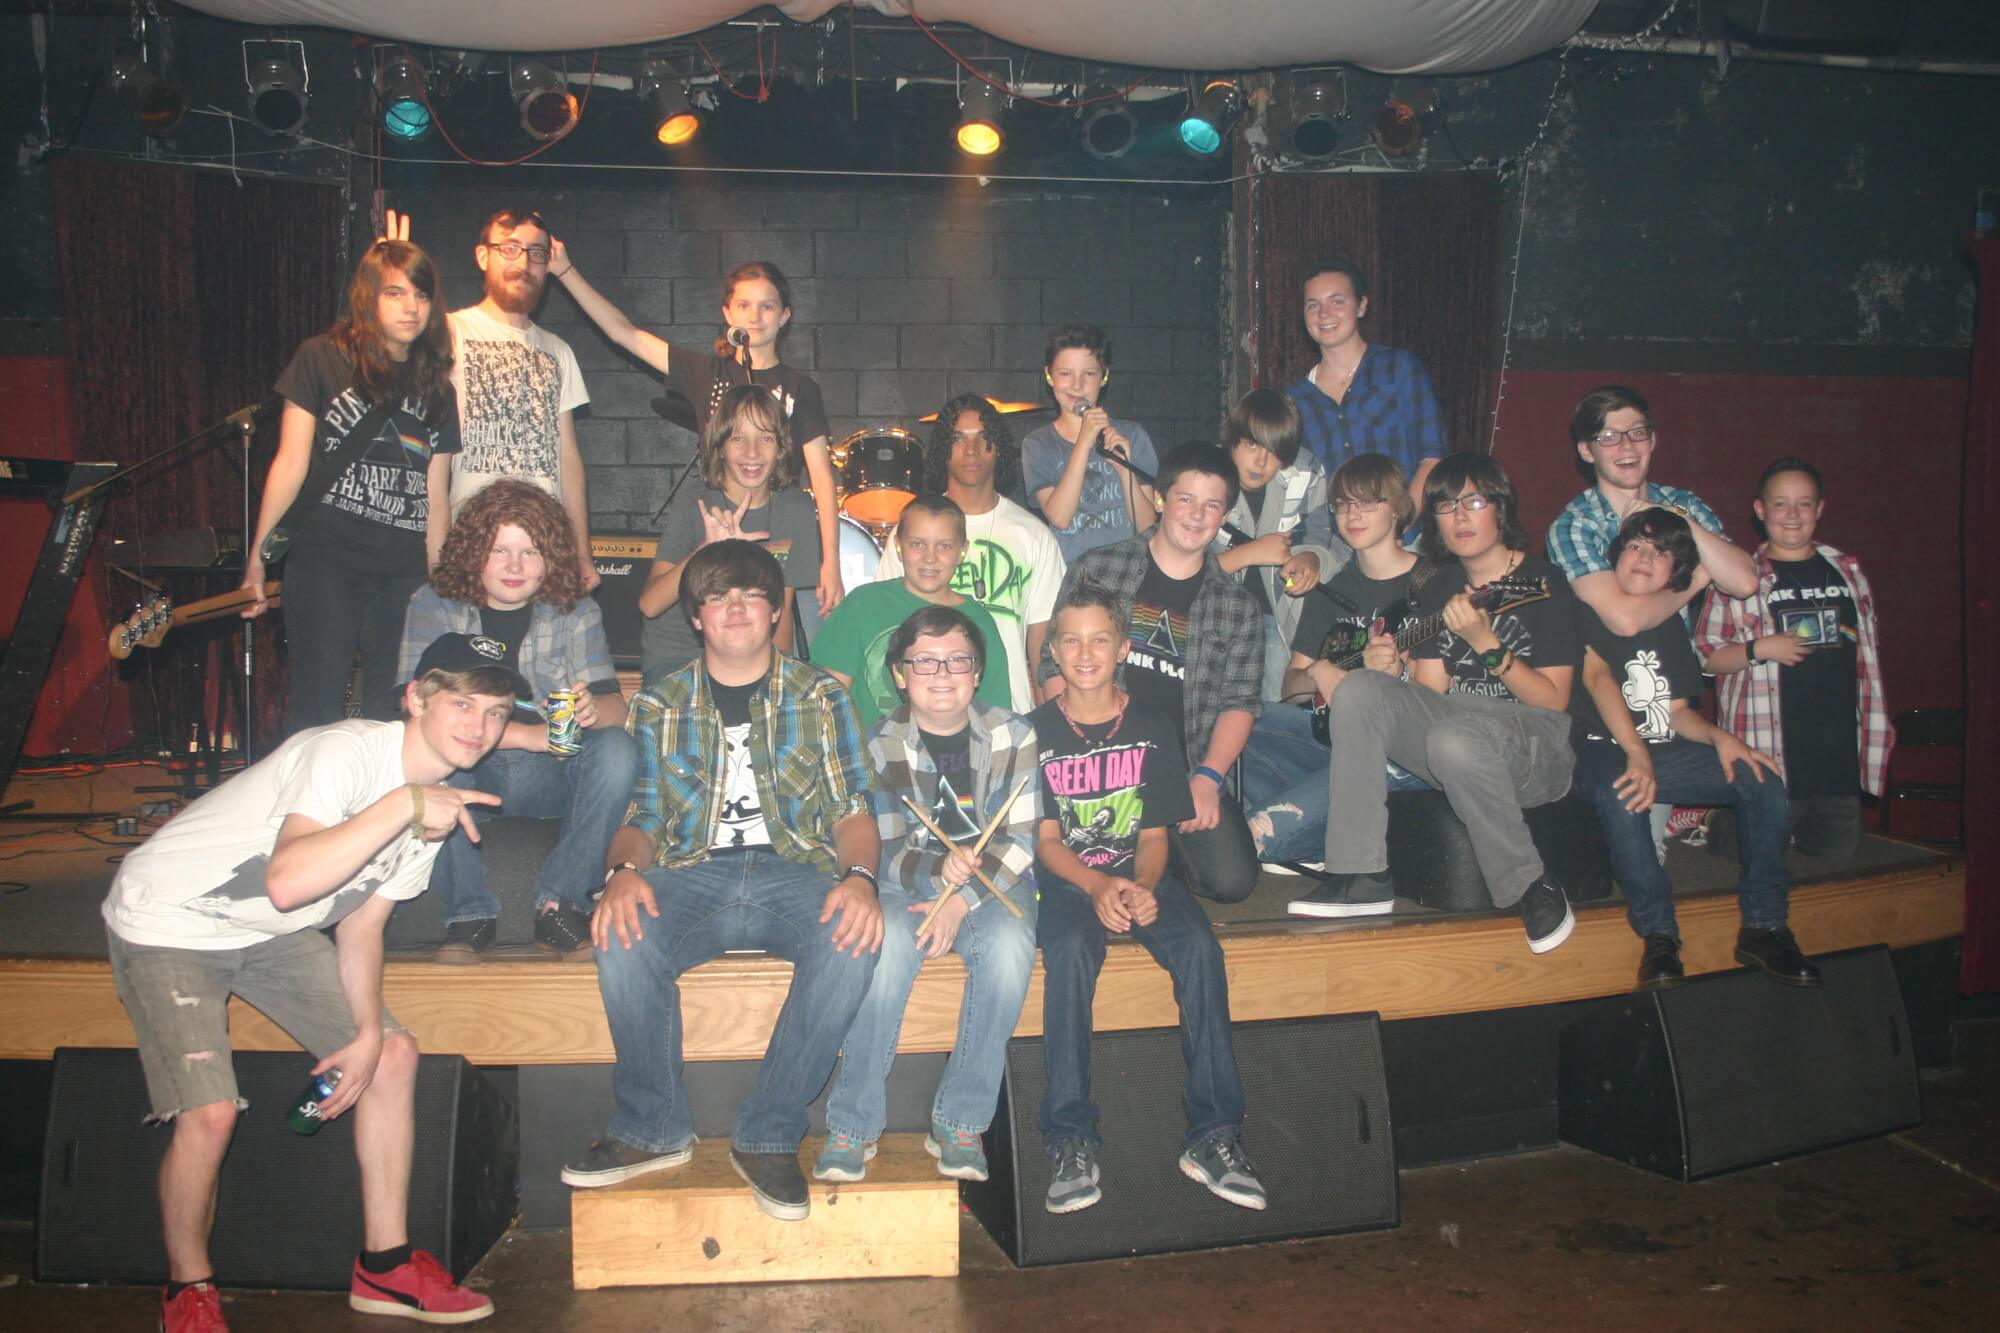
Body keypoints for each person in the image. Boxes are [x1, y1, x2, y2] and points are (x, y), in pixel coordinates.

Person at [103, 633, 519, 1332]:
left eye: (496, 712)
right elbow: (288, 881)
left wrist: (366, 1034)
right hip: (170, 918)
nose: (480, 725)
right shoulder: (345, 754)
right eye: (462, 703)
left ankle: (385, 1267)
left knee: (393, 1053)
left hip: (268, 932)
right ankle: (189, 1287)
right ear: (415, 700)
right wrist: (404, 804)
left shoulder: (431, 810)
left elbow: (361, 923)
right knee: (211, 1112)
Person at [563, 540, 883, 1224]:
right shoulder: (661, 702)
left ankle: (769, 1132)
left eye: (752, 595)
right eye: (717, 596)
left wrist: (860, 877)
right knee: (621, 932)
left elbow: (852, 809)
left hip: (795, 871)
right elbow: (643, 817)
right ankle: (652, 1125)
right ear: (697, 617)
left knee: (853, 937)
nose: (735, 608)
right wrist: (621, 873)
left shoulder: (821, 694)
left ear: (776, 612)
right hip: (692, 872)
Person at [1030, 579, 1264, 1215]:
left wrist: (1144, 887)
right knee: (1070, 952)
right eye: (1071, 641)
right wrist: (1097, 885)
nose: (1085, 654)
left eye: (1099, 640)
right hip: (1070, 881)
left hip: (1143, 875)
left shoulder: (1153, 726)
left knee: (1199, 949)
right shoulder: (1035, 732)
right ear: (1053, 650)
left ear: (1124, 649)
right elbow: (1047, 842)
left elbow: (1156, 836)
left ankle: (1214, 1134)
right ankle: (1069, 1137)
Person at [1313, 453, 1584, 948]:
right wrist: (1393, 673)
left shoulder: (1545, 583)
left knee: (1453, 737)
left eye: (1473, 502)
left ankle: (1531, 884)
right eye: (1446, 506)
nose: (1459, 517)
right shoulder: (1440, 585)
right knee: (1359, 689)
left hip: (1535, 744)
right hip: (1455, 729)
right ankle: (1361, 874)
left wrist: (1486, 644)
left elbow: (1553, 704)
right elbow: (1430, 693)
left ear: (1500, 508)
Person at [815, 606, 1040, 1185]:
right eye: (924, 662)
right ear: (899, 674)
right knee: (883, 946)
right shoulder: (878, 743)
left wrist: (959, 902)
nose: (942, 674)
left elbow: (1019, 840)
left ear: (978, 671)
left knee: (1010, 950)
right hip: (907, 884)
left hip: (994, 886)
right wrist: (940, 876)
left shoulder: (1014, 734)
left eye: (958, 660)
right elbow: (887, 847)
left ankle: (961, 1121)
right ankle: (853, 1123)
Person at [1571, 509, 1820, 990]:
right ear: (1615, 555)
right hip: (1603, 750)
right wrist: (1636, 752)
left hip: (1661, 751)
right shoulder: (1588, 607)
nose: (1645, 558)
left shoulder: (1668, 622)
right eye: (1636, 546)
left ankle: (1765, 926)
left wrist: (1722, 738)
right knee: (1625, 791)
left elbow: (1677, 712)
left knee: (1760, 778)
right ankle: (1659, 935)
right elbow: (1598, 679)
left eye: (1661, 552)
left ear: (1676, 572)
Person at [397, 481, 638, 963]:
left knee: (617, 750)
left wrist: (595, 710)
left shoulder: (575, 609)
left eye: (530, 552)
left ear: (550, 559)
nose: (514, 566)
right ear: (473, 552)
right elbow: (414, 708)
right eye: (499, 550)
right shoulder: (434, 603)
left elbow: (616, 707)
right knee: (427, 752)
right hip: (470, 768)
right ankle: (469, 915)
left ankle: (559, 904)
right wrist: (529, 736)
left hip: (552, 771)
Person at [550, 244, 844, 615]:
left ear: (785, 316)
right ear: (727, 312)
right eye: (744, 305)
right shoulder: (706, 372)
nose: (755, 316)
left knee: (798, 626)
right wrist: (565, 270)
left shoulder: (800, 388)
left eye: (767, 306)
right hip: (716, 517)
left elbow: (821, 476)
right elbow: (624, 333)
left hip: (779, 524)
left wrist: (830, 562)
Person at [241, 237, 458, 737]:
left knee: (395, 713)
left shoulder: (437, 387)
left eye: (421, 295)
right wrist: (257, 558)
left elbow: (437, 497)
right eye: (395, 293)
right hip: (327, 562)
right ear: (368, 298)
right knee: (316, 709)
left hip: (404, 572)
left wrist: (439, 581)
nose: (411, 307)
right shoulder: (321, 358)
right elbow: (290, 463)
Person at [1039, 444, 1263, 904]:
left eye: (1212, 505)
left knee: (1233, 882)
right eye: (1186, 499)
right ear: (1160, 499)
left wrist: (1208, 778)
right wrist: (1075, 760)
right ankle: (1140, 857)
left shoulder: (1237, 605)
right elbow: (1051, 663)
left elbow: (1240, 702)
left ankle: (1154, 854)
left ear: (1224, 517)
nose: (1197, 515)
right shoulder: (1099, 568)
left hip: (1185, 771)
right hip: (1096, 766)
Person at [1695, 457, 1891, 860]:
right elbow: (1705, 658)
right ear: (1760, 509)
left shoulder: (1847, 572)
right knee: (1746, 867)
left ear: (1820, 509)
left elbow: (1866, 662)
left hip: (1837, 759)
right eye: (1780, 503)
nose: (1793, 514)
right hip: (1765, 756)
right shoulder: (1737, 577)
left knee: (1834, 868)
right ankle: (1715, 822)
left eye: (1804, 504)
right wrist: (1759, 649)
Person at [1243, 454, 1423, 881]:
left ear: (1397, 508)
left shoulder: (1432, 583)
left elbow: (1440, 695)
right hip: (1330, 738)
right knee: (1236, 717)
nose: (1352, 515)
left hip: (1397, 753)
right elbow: (1291, 686)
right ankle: (1317, 818)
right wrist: (1319, 673)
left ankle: (1314, 827)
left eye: (1368, 503)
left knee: (1255, 838)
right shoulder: (1333, 588)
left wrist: (1398, 674)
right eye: (1343, 504)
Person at [876, 394, 1066, 711]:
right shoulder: (911, 532)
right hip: (926, 713)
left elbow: (1043, 646)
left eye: (983, 437)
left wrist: (1051, 718)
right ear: (943, 449)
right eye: (958, 438)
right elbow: (886, 627)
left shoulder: (1033, 535)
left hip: (1008, 714)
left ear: (999, 447)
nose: (971, 449)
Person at [444, 208, 596, 592]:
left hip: (543, 550)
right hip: (469, 547)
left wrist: (581, 552)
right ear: (483, 256)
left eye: (536, 253)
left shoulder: (558, 350)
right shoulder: (449, 331)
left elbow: (568, 458)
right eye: (510, 248)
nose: (523, 263)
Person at [636, 384, 821, 681]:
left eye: (765, 438)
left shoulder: (796, 509)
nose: (752, 452)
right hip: (681, 657)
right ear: (720, 447)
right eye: (737, 438)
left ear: (781, 448)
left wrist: (778, 682)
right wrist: (707, 550)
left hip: (752, 657)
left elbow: (781, 615)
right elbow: (650, 605)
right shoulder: (695, 502)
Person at [1547, 384, 1757, 634]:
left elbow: (1744, 583)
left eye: (1637, 433)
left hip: (1678, 657)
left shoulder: (1683, 504)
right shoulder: (1575, 525)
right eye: (1609, 437)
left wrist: (1676, 516)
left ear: (1652, 440)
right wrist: (1699, 578)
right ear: (1586, 451)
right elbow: (1626, 621)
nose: (1627, 446)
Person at [812, 495, 1011, 727]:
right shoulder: (862, 604)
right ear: (898, 546)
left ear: (963, 551)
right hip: (867, 747)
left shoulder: (978, 621)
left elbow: (994, 716)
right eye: (917, 544)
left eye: (944, 546)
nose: (930, 558)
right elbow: (829, 696)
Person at [1211, 388, 1343, 700]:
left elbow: (1325, 530)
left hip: (1280, 616)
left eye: (1274, 451)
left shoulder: (1306, 472)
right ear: (1232, 440)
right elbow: (1181, 565)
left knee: (1275, 711)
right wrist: (1250, 553)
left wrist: (1313, 558)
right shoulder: (1204, 474)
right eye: (1251, 445)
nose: (1261, 461)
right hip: (1214, 617)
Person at [1284, 257, 1444, 509]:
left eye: (1337, 301)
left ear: (1361, 306)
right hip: (1334, 532)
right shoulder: (1295, 398)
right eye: (1313, 305)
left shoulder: (1399, 368)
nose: (1324, 314)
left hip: (1407, 526)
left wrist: (1401, 524)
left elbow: (1432, 458)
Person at [1019, 322, 1159, 562]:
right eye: (1066, 373)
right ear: (1049, 376)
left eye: (1089, 374)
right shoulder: (1038, 444)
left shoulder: (1132, 435)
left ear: (1104, 377)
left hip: (1124, 571)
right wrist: (1084, 443)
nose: (1077, 385)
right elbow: (1060, 517)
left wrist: (1124, 469)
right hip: (1071, 574)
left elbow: (1147, 525)